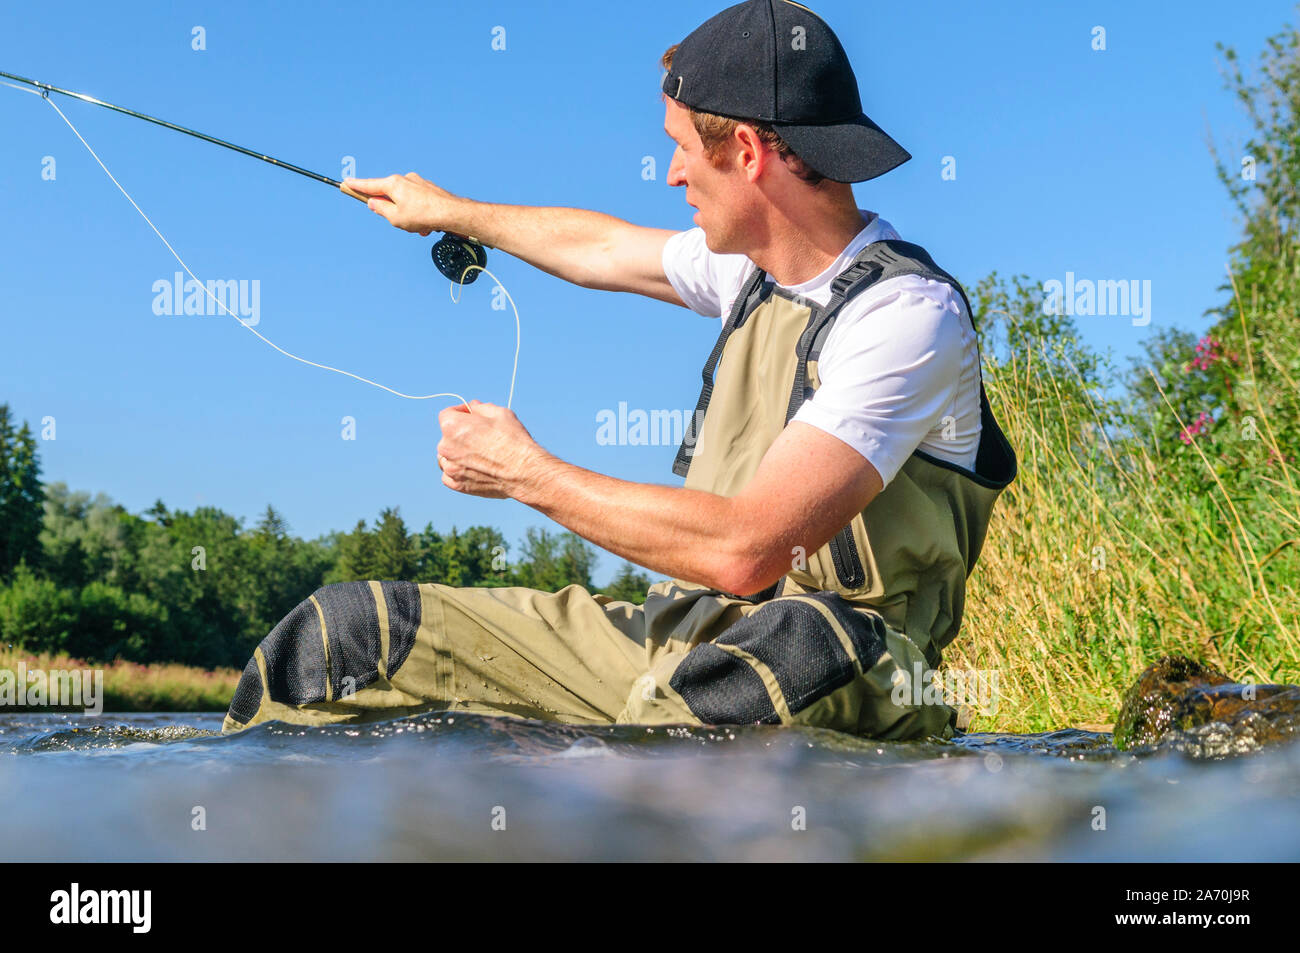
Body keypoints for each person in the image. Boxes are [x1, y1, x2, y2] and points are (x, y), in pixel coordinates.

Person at [221, 0, 1016, 739]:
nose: (671, 175)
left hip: (829, 664)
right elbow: (598, 248)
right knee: (346, 638)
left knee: (780, 649)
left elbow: (748, 551)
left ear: (745, 152)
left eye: (679, 148)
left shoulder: (906, 318)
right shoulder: (749, 271)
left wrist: (527, 474)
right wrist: (450, 211)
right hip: (671, 641)